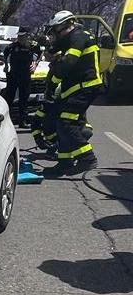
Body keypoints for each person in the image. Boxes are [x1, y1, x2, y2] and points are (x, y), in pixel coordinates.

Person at [42, 10, 100, 176]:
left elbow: (67, 63)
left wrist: (51, 86)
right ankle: (65, 162)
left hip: (85, 87)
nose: (53, 35)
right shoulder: (72, 38)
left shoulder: (78, 37)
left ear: (64, 26)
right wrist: (50, 51)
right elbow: (55, 49)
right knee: (62, 123)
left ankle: (87, 158)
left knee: (66, 122)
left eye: (54, 31)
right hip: (75, 88)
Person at [3, 29, 41, 126]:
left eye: (22, 36)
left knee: (24, 98)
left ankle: (22, 120)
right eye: (19, 36)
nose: (20, 38)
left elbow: (39, 54)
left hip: (25, 75)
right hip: (13, 75)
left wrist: (35, 63)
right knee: (9, 97)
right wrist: (6, 65)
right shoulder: (12, 47)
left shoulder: (33, 46)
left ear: (27, 36)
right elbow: (5, 55)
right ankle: (6, 119)